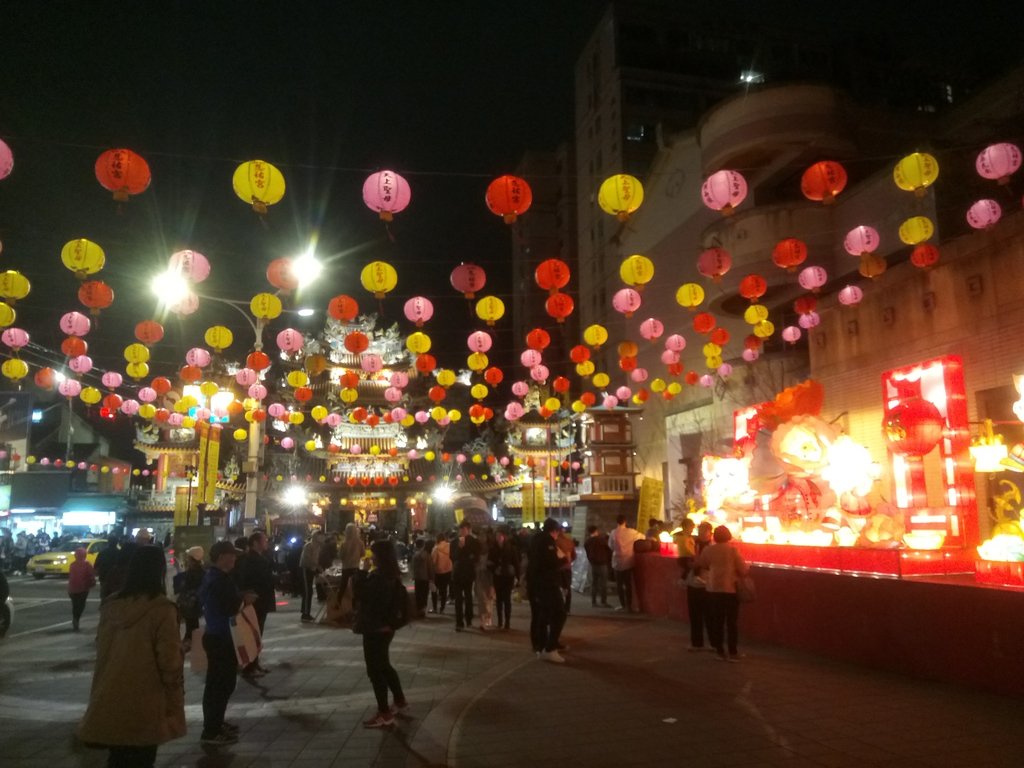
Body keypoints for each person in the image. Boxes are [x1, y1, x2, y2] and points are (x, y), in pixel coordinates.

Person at [78, 545, 185, 767]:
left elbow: (102, 647)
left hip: (110, 690)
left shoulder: (111, 605)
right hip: (146, 695)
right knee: (142, 757)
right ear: (160, 571)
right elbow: (169, 660)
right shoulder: (161, 609)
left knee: (117, 757)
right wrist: (175, 691)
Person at [199, 540, 254, 746]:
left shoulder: (215, 577)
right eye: (232, 555)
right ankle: (211, 730)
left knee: (221, 684)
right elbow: (228, 606)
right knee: (219, 685)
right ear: (221, 556)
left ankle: (216, 723)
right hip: (221, 637)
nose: (235, 559)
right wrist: (244, 600)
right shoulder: (218, 579)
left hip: (217, 635)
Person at [354, 540, 408, 728]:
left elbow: (360, 595)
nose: (371, 557)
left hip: (375, 628)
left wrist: (361, 572)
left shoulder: (379, 578)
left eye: (374, 553)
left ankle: (384, 713)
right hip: (385, 628)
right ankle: (399, 700)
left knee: (375, 670)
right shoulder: (391, 575)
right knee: (384, 665)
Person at [692, 525, 749, 662]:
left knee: (717, 621)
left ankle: (719, 651)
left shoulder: (708, 550)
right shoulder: (733, 550)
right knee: (731, 622)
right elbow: (743, 569)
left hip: (713, 589)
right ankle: (733, 652)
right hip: (730, 589)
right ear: (728, 536)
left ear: (714, 536)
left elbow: (702, 564)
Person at [527, 518, 568, 663]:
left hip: (536, 583)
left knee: (542, 615)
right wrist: (563, 560)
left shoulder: (534, 539)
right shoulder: (547, 541)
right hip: (547, 584)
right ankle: (550, 648)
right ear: (554, 531)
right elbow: (550, 562)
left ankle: (541, 646)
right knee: (559, 614)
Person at [235, 531, 276, 677]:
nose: (266, 543)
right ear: (255, 543)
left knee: (257, 633)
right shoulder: (251, 560)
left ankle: (255, 663)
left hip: (260, 599)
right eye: (263, 541)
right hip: (256, 600)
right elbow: (257, 580)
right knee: (253, 633)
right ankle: (249, 666)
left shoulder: (258, 558)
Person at [683, 520, 714, 651]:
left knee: (710, 616)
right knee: (694, 615)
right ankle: (697, 643)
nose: (701, 533)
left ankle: (714, 643)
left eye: (704, 530)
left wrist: (699, 564)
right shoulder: (692, 543)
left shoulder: (713, 548)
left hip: (707, 584)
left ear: (710, 533)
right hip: (693, 583)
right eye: (700, 530)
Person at [608, 514, 645, 613]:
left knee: (619, 585)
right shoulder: (632, 532)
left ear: (617, 522)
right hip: (629, 561)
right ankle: (629, 606)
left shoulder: (613, 533)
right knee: (628, 585)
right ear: (625, 521)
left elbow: (610, 546)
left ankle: (622, 605)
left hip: (617, 562)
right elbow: (643, 537)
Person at [450, 521, 481, 632]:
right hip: (457, 573)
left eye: (464, 529)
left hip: (468, 573)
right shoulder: (454, 542)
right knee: (458, 599)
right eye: (460, 529)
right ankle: (459, 622)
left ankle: (469, 618)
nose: (462, 531)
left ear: (468, 529)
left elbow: (476, 557)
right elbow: (453, 557)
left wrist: (467, 551)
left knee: (468, 597)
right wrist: (459, 548)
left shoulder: (474, 542)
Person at [174, 547, 205, 649]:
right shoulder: (201, 571)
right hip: (195, 603)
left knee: (191, 623)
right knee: (192, 623)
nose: (187, 559)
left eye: (189, 558)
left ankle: (191, 642)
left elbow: (185, 585)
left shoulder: (192, 573)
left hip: (190, 603)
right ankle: (192, 641)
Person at [489, 526, 519, 630]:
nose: (498, 537)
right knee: (499, 600)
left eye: (500, 535)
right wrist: (494, 568)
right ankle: (500, 621)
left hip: (508, 576)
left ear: (504, 537)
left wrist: (518, 577)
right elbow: (489, 563)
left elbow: (516, 563)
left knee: (507, 600)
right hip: (498, 576)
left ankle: (507, 622)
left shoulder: (511, 548)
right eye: (497, 535)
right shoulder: (493, 549)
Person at [67, 547, 96, 631]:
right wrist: (92, 582)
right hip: (83, 588)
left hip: (72, 589)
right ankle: (76, 619)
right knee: (81, 605)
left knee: (75, 605)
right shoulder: (87, 564)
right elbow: (91, 575)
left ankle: (75, 619)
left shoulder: (72, 564)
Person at [298, 531, 324, 622]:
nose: (322, 538)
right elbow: (306, 559)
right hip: (306, 569)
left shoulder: (318, 547)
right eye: (320, 536)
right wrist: (317, 566)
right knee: (307, 591)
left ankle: (305, 611)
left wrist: (317, 568)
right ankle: (305, 613)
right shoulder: (309, 546)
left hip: (312, 569)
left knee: (309, 591)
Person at [338, 523, 365, 609]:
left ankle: (338, 604)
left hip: (345, 567)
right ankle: (354, 607)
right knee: (355, 588)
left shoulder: (344, 543)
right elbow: (363, 554)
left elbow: (340, 556)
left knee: (342, 586)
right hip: (355, 566)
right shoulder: (360, 542)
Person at [583, 525, 611, 607]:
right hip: (602, 564)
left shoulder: (587, 542)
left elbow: (587, 552)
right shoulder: (601, 540)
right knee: (603, 583)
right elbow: (608, 550)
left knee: (594, 583)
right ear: (596, 531)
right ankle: (603, 601)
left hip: (593, 564)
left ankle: (594, 601)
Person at [474, 528, 496, 630]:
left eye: (483, 536)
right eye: (480, 536)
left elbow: (495, 563)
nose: (481, 538)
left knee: (490, 598)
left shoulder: (492, 549)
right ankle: (482, 621)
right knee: (482, 599)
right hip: (479, 575)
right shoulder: (475, 549)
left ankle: (488, 618)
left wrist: (490, 564)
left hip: (490, 576)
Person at [554, 527, 576, 614]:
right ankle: (567, 608)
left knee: (557, 588)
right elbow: (574, 555)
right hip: (567, 568)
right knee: (567, 588)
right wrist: (569, 562)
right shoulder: (569, 541)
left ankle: (559, 607)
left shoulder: (555, 542)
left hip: (558, 568)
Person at [430, 531, 452, 614]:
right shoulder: (449, 546)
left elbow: (433, 561)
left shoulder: (436, 548)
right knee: (444, 590)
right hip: (448, 571)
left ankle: (435, 608)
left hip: (437, 572)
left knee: (434, 590)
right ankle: (442, 608)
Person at [410, 538, 433, 618]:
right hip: (425, 577)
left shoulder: (414, 555)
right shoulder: (427, 555)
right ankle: (423, 609)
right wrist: (431, 577)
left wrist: (413, 575)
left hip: (417, 578)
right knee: (424, 594)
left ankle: (419, 609)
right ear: (423, 545)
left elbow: (412, 567)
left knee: (418, 594)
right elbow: (430, 567)